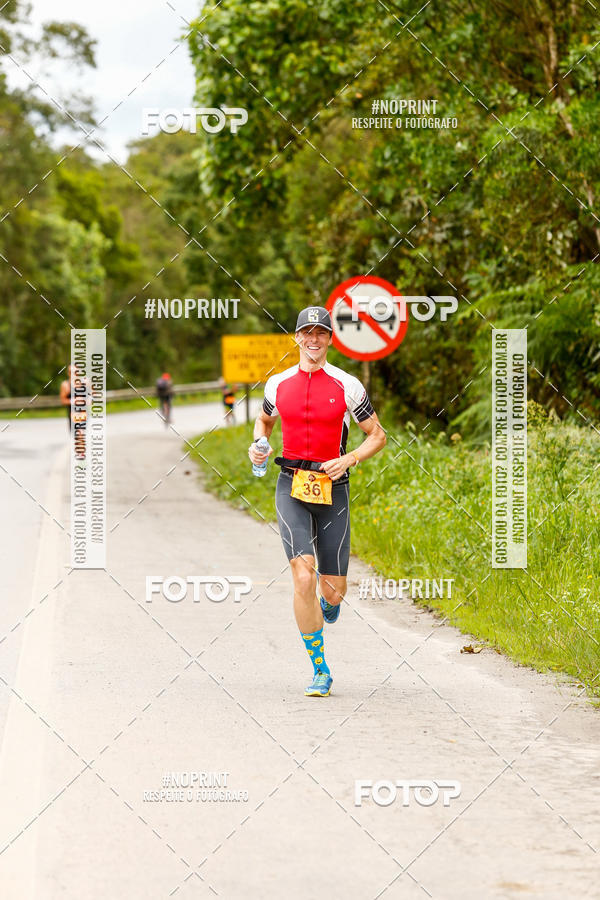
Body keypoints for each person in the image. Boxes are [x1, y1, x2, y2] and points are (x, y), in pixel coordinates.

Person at [248, 306, 386, 698]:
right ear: (296, 337)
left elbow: (377, 435)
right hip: (291, 484)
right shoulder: (277, 385)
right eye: (306, 332)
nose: (313, 339)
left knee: (332, 590)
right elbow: (264, 421)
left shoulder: (347, 385)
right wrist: (260, 444)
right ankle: (320, 669)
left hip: (332, 487)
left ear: (329, 339)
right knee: (303, 575)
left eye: (320, 333)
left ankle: (330, 604)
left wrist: (349, 458)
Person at [59, 365, 73, 432]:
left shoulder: (86, 383)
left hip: (86, 413)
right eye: (71, 372)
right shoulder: (65, 385)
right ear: (68, 373)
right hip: (72, 414)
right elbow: (63, 400)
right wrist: (72, 401)